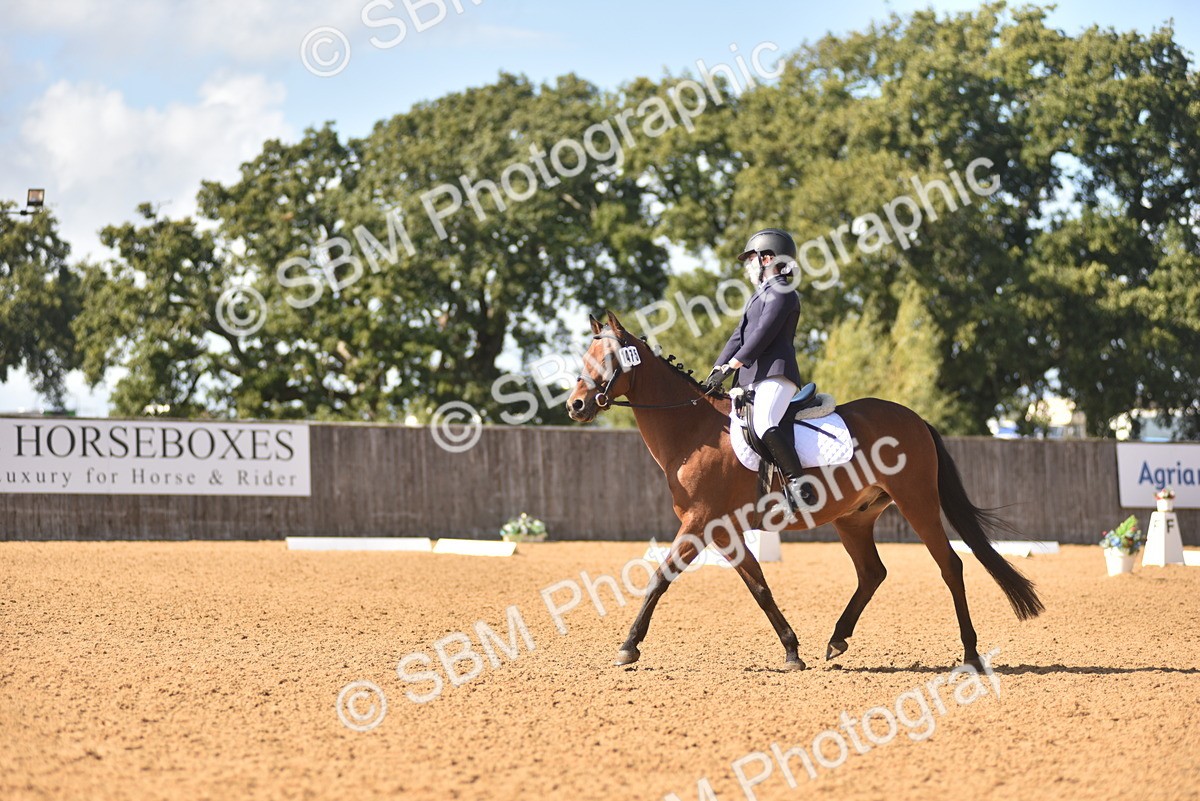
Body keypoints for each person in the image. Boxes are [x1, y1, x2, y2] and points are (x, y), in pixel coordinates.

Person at [703, 228, 816, 509]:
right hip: (752, 378)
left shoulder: (783, 291)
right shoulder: (759, 295)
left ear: (767, 258)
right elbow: (739, 337)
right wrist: (717, 368)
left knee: (764, 421)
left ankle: (799, 485)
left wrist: (733, 365)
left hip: (776, 374)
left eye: (750, 258)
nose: (747, 265)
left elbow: (763, 334)